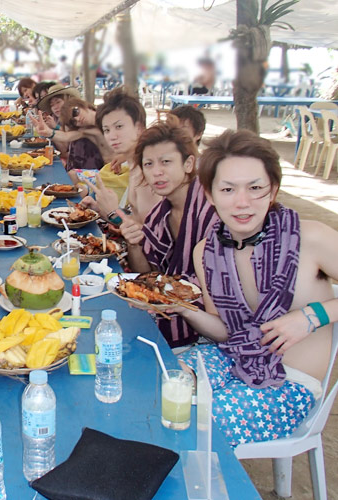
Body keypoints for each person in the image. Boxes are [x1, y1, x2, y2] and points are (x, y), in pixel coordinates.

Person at [173, 130, 338, 448]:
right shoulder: (206, 252)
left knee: (197, 425)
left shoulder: (310, 238)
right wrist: (182, 308)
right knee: (163, 387)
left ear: (272, 189)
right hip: (230, 355)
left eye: (255, 188)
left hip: (290, 383)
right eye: (228, 189)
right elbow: (224, 332)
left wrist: (312, 316)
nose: (242, 202)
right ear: (210, 194)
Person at [117, 119, 218, 348]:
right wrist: (133, 244)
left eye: (166, 162)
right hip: (173, 313)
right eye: (149, 164)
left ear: (188, 164)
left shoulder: (212, 211)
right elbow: (149, 274)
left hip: (211, 332)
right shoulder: (159, 215)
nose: (156, 172)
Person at [81, 86, 160, 224]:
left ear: (139, 128)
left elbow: (146, 232)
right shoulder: (133, 166)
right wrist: (99, 210)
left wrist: (112, 211)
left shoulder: (147, 173)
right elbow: (133, 220)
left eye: (119, 127)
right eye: (107, 130)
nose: (112, 136)